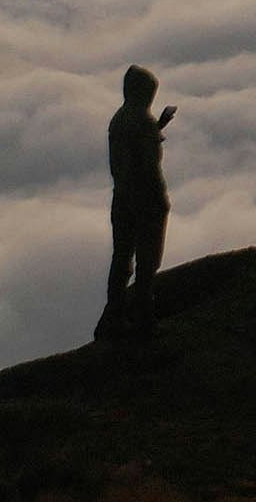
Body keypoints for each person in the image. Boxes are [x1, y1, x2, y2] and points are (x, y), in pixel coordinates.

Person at [96, 65, 176, 341]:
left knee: (122, 260)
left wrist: (157, 127)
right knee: (146, 261)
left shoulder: (120, 118)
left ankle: (115, 316)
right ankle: (143, 318)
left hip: (122, 200)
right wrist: (160, 202)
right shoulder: (140, 120)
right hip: (144, 201)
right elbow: (146, 165)